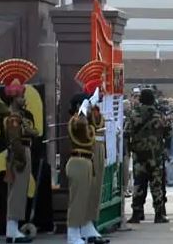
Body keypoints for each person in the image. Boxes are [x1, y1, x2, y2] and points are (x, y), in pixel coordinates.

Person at [0, 59, 39, 244]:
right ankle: (12, 231)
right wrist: (21, 158)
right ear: (14, 98)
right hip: (19, 154)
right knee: (16, 193)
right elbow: (15, 141)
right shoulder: (13, 118)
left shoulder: (20, 117)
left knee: (20, 192)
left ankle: (13, 230)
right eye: (22, 96)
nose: (24, 99)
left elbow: (34, 132)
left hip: (22, 152)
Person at [74, 60, 110, 244]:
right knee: (86, 190)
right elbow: (84, 126)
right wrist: (87, 106)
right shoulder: (84, 113)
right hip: (90, 150)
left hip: (99, 148)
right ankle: (80, 228)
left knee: (96, 190)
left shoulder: (97, 111)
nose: (102, 92)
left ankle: (89, 225)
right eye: (99, 89)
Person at [126, 89, 171, 224]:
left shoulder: (133, 114)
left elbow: (127, 132)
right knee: (156, 184)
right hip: (155, 155)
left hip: (139, 155)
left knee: (139, 184)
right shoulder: (159, 115)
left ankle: (137, 213)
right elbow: (168, 133)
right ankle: (159, 214)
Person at [65, 97, 96, 244]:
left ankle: (82, 230)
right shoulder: (75, 121)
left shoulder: (85, 122)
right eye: (87, 105)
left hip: (86, 161)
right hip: (78, 161)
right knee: (77, 200)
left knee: (84, 199)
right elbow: (80, 124)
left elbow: (93, 124)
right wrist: (83, 109)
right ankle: (72, 234)